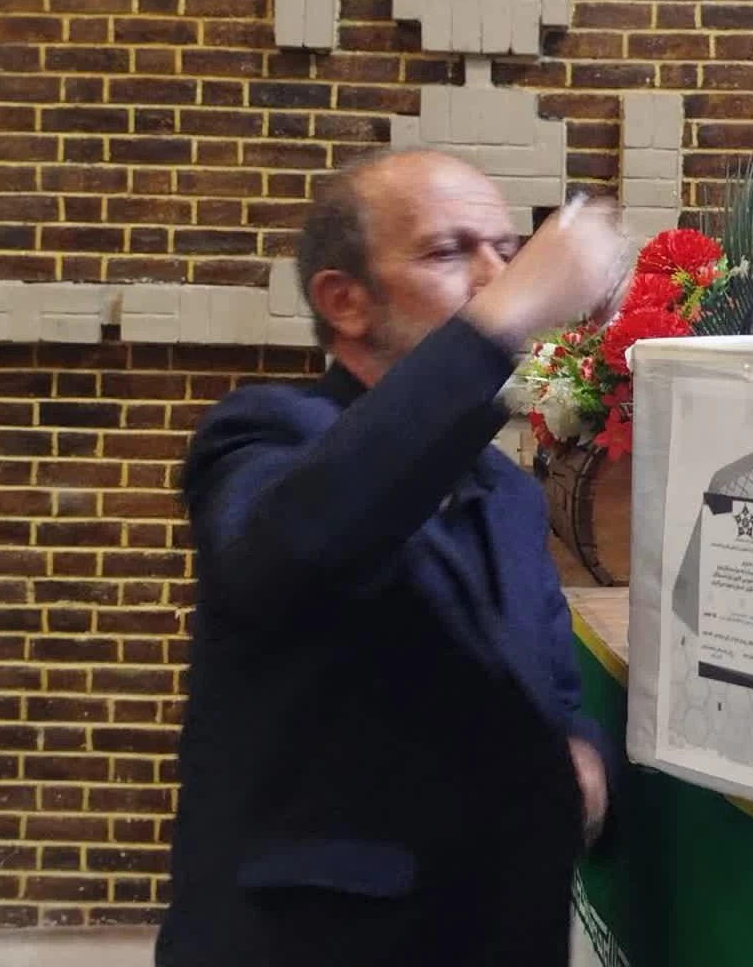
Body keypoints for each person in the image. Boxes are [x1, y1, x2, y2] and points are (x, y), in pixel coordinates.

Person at [155, 148, 631, 967]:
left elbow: (551, 693)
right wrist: (504, 317)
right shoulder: (263, 435)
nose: (497, 276)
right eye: (449, 252)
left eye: (507, 252)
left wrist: (586, 767)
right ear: (344, 301)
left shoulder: (505, 494)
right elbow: (304, 542)